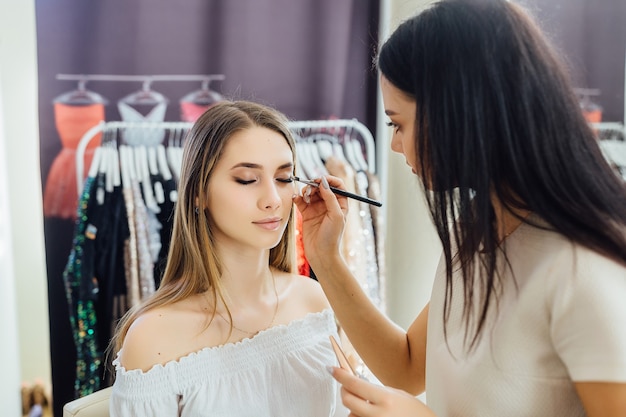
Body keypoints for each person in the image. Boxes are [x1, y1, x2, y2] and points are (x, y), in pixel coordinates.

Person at [293, 0, 626, 416]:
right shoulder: (477, 227)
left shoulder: (583, 266)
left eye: (398, 123)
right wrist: (326, 257)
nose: (395, 144)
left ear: (460, 112)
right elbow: (409, 364)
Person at [108, 100, 346, 416]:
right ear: (198, 192)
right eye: (247, 179)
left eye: (284, 178)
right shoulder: (154, 339)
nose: (273, 200)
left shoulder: (311, 299)